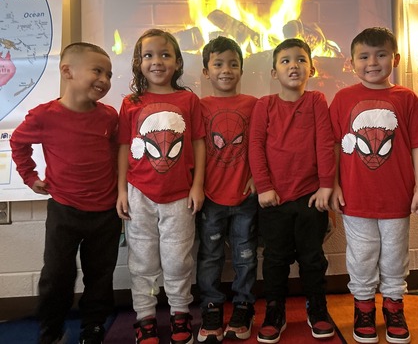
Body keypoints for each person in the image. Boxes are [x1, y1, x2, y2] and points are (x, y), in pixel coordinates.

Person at [10, 42, 121, 344]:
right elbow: (18, 143)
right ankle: (52, 330)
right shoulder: (44, 116)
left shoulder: (109, 117)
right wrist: (30, 177)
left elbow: (118, 153)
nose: (105, 80)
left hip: (106, 212)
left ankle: (93, 328)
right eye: (97, 71)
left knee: (100, 276)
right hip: (64, 210)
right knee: (57, 276)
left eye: (109, 74)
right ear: (67, 71)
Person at [329, 27, 418, 344]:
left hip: (396, 198)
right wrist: (332, 184)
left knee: (394, 256)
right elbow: (332, 144)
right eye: (364, 56)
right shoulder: (344, 98)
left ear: (395, 59)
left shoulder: (407, 98)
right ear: (351, 62)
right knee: (360, 256)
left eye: (381, 55)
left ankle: (393, 306)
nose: (372, 62)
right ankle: (363, 308)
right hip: (355, 198)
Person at [117, 29, 206, 344]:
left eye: (165, 55)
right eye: (149, 55)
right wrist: (121, 191)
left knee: (178, 257)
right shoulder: (131, 102)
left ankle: (180, 312)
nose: (157, 61)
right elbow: (125, 147)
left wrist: (197, 185)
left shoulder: (188, 100)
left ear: (178, 62)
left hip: (180, 194)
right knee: (142, 259)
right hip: (139, 193)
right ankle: (145, 317)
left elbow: (197, 143)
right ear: (139, 63)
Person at [249, 38, 336, 343]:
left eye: (300, 60)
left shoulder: (316, 102)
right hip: (274, 200)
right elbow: (256, 147)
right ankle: (275, 309)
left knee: (312, 257)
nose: (293, 65)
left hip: (311, 196)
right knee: (274, 258)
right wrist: (264, 187)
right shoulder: (265, 105)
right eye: (285, 61)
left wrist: (326, 185)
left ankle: (318, 307)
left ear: (311, 68)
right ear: (274, 72)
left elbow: (325, 144)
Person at [196, 36, 259, 343]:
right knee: (209, 256)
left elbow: (264, 145)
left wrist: (259, 178)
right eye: (218, 64)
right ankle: (211, 308)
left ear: (242, 69)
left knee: (245, 255)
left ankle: (244, 305)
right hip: (210, 197)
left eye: (233, 64)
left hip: (245, 197)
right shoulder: (199, 106)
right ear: (206, 70)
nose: (226, 70)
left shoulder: (253, 105)